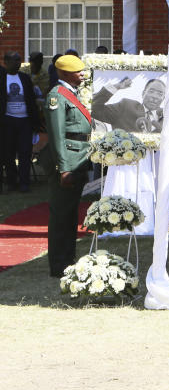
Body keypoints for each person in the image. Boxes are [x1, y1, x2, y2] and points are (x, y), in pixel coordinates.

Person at [41, 55, 93, 277]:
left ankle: (67, 259)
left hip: (77, 158)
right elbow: (56, 135)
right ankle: (59, 264)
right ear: (63, 73)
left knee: (70, 213)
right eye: (77, 71)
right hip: (67, 162)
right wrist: (64, 168)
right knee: (61, 214)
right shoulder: (57, 96)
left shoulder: (71, 93)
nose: (82, 74)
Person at [1, 52, 43, 192]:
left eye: (19, 60)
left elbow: (31, 101)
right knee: (9, 153)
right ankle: (12, 182)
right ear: (6, 61)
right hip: (8, 121)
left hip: (25, 121)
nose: (18, 63)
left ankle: (25, 183)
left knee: (25, 153)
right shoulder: (2, 78)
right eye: (15, 60)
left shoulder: (24, 78)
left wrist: (35, 122)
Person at [92, 77, 166, 133]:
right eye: (151, 91)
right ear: (143, 93)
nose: (155, 96)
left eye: (160, 94)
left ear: (163, 98)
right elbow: (94, 110)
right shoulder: (126, 106)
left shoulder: (167, 117)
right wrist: (116, 87)